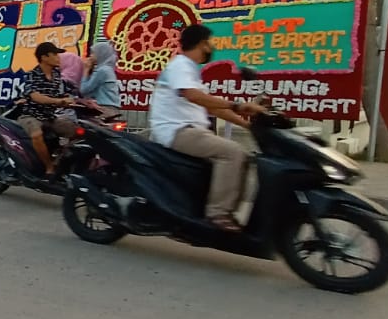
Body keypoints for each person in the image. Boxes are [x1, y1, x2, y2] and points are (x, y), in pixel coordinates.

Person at [149, 24, 265, 232]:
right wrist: (237, 105)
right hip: (177, 131)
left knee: (243, 157)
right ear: (202, 44)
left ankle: (226, 213)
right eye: (209, 43)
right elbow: (193, 96)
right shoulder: (180, 66)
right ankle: (218, 214)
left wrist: (248, 125)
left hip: (192, 130)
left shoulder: (191, 72)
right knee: (232, 152)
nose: (211, 48)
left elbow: (214, 107)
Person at [20, 41, 79, 177]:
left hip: (50, 117)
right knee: (36, 135)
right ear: (44, 57)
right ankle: (49, 167)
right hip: (31, 115)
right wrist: (57, 101)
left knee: (80, 132)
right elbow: (35, 96)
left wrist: (76, 101)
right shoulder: (32, 75)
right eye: (55, 54)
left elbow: (64, 95)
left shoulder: (57, 76)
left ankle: (59, 161)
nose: (58, 58)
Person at [81, 41, 121, 108]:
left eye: (93, 53)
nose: (90, 56)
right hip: (110, 106)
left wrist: (86, 70)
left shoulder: (102, 70)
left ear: (101, 54)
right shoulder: (108, 69)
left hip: (105, 107)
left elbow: (84, 89)